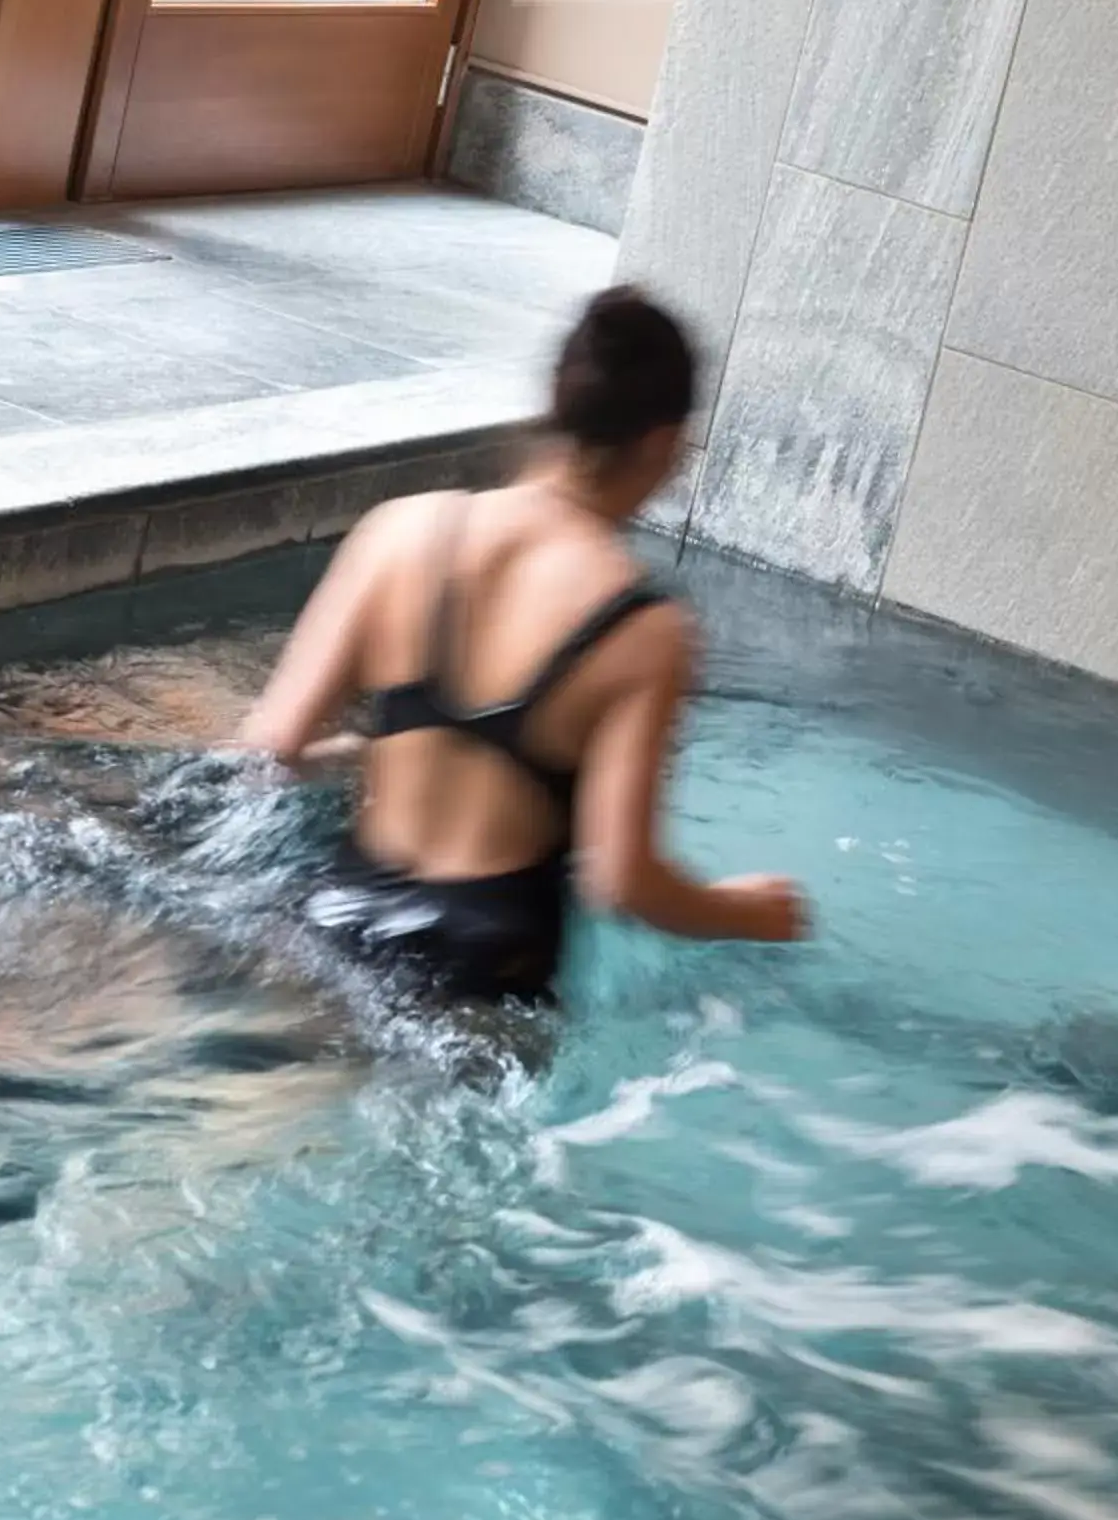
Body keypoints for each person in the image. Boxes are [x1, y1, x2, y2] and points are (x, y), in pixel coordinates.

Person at [239, 287, 808, 1000]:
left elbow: (273, 746)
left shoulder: (400, 530)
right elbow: (622, 880)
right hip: (482, 966)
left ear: (555, 403)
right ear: (665, 442)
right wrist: (744, 911)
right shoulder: (644, 628)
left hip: (334, 921)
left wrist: (369, 751)